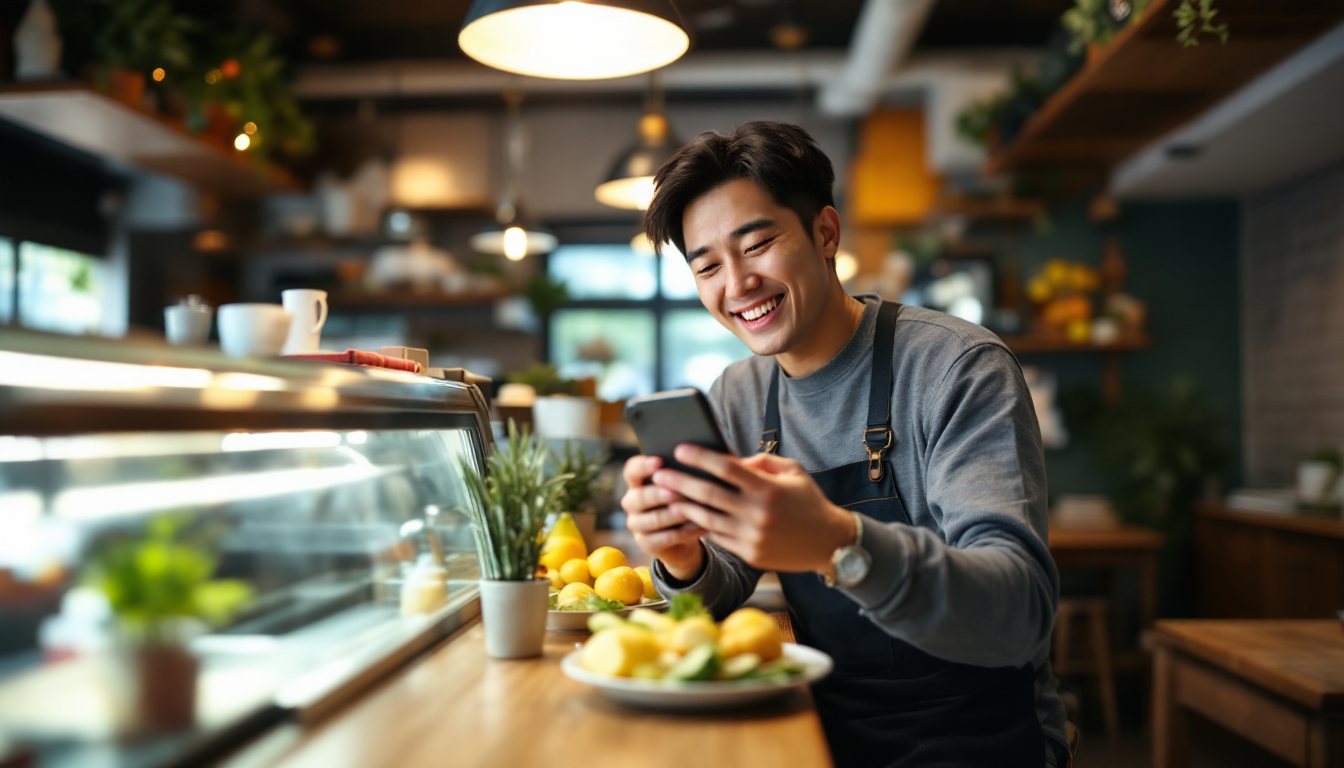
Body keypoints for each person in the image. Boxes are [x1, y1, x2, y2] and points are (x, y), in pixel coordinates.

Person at [621, 121, 1070, 768]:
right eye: (708, 266)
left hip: (980, 740)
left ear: (825, 233)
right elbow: (721, 594)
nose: (737, 283)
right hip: (824, 732)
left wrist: (839, 542)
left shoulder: (956, 367)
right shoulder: (740, 395)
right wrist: (683, 559)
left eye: (758, 243)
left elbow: (1018, 611)